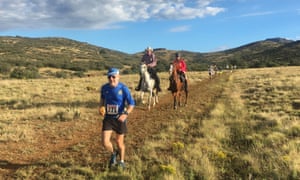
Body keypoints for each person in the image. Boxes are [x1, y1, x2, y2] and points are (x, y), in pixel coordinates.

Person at [99, 68, 135, 169]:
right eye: (109, 77)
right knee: (105, 142)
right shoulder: (104, 88)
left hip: (120, 118)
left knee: (119, 142)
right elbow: (102, 99)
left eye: (113, 76)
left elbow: (132, 104)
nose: (111, 78)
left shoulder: (123, 88)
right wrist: (101, 107)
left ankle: (122, 161)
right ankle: (113, 154)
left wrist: (126, 114)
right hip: (108, 118)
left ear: (118, 77)